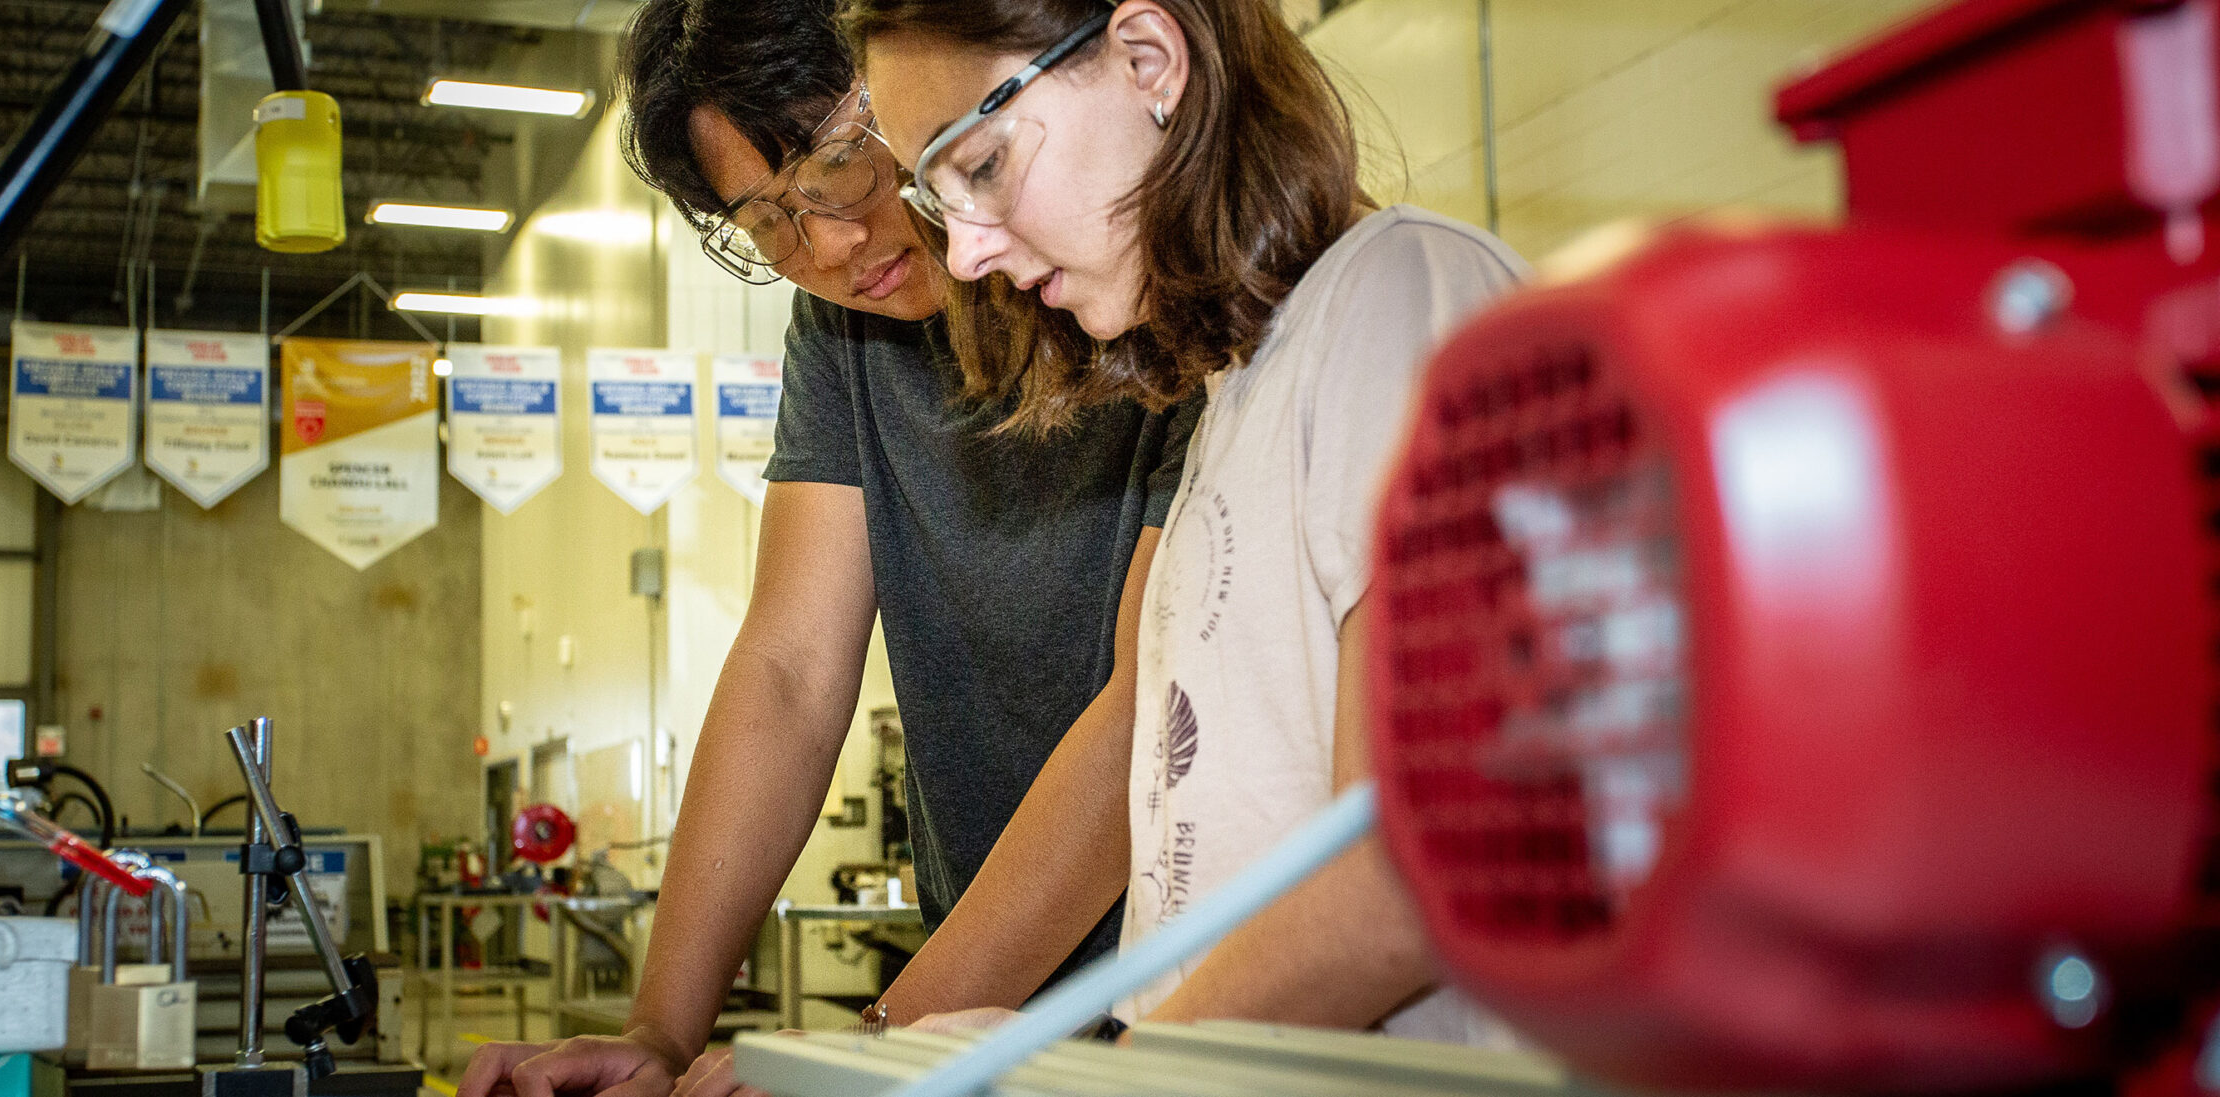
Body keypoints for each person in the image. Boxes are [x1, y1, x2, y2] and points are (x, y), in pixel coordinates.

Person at [456, 1, 1202, 1094]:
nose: (833, 247)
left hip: (1191, 976)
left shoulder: (1160, 296)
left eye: (845, 169)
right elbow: (790, 669)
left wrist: (885, 1035)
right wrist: (661, 1027)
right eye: (767, 223)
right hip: (975, 999)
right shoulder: (847, 331)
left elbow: (1149, 707)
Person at [844, 0, 1529, 1038]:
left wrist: (1127, 1070)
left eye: (977, 166)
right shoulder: (1235, 394)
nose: (970, 255)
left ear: (1147, 59)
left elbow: (1418, 856)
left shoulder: (1403, 294)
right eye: (936, 200)